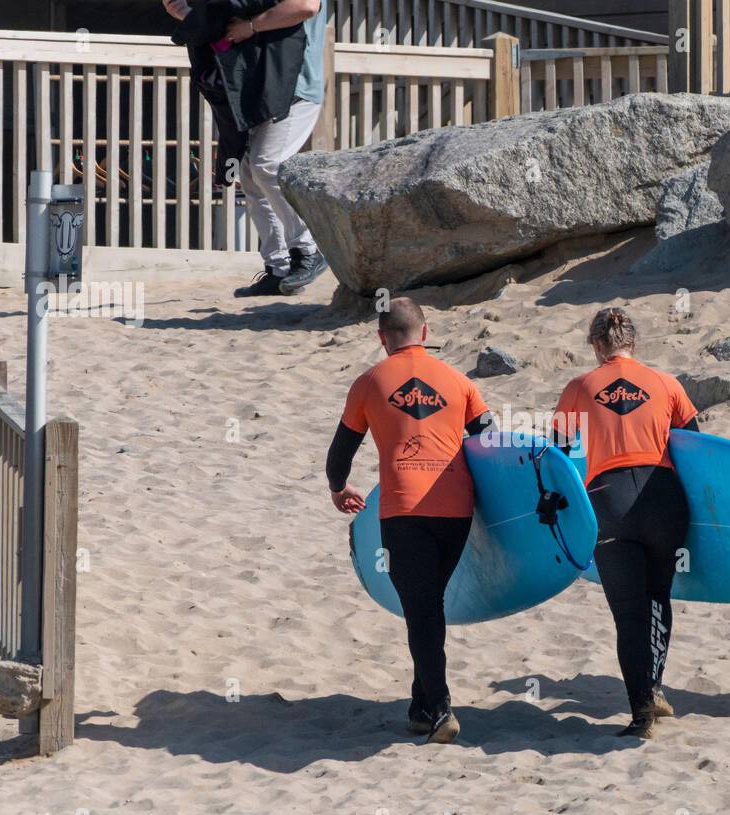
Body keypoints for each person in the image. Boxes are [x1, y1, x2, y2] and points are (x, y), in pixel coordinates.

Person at [325, 298, 492, 743]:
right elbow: (494, 445)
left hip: (404, 510)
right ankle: (420, 708)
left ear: (382, 338)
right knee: (428, 605)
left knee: (421, 611)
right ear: (426, 331)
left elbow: (341, 452)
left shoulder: (369, 382)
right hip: (457, 512)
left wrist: (339, 489)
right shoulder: (459, 381)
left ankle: (439, 710)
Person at [551, 308, 698, 739]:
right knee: (658, 597)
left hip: (608, 502)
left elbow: (556, 454)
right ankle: (653, 686)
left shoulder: (579, 387)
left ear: (597, 347)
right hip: (664, 498)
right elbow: (697, 445)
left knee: (629, 613)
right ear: (633, 343)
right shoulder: (667, 384)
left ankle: (640, 714)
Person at [164, 0, 328, 297]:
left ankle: (309, 249)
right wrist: (188, 14)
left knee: (267, 165)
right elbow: (224, 24)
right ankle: (278, 268)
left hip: (296, 89)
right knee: (251, 174)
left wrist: (251, 27)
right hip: (260, 89)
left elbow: (305, 6)